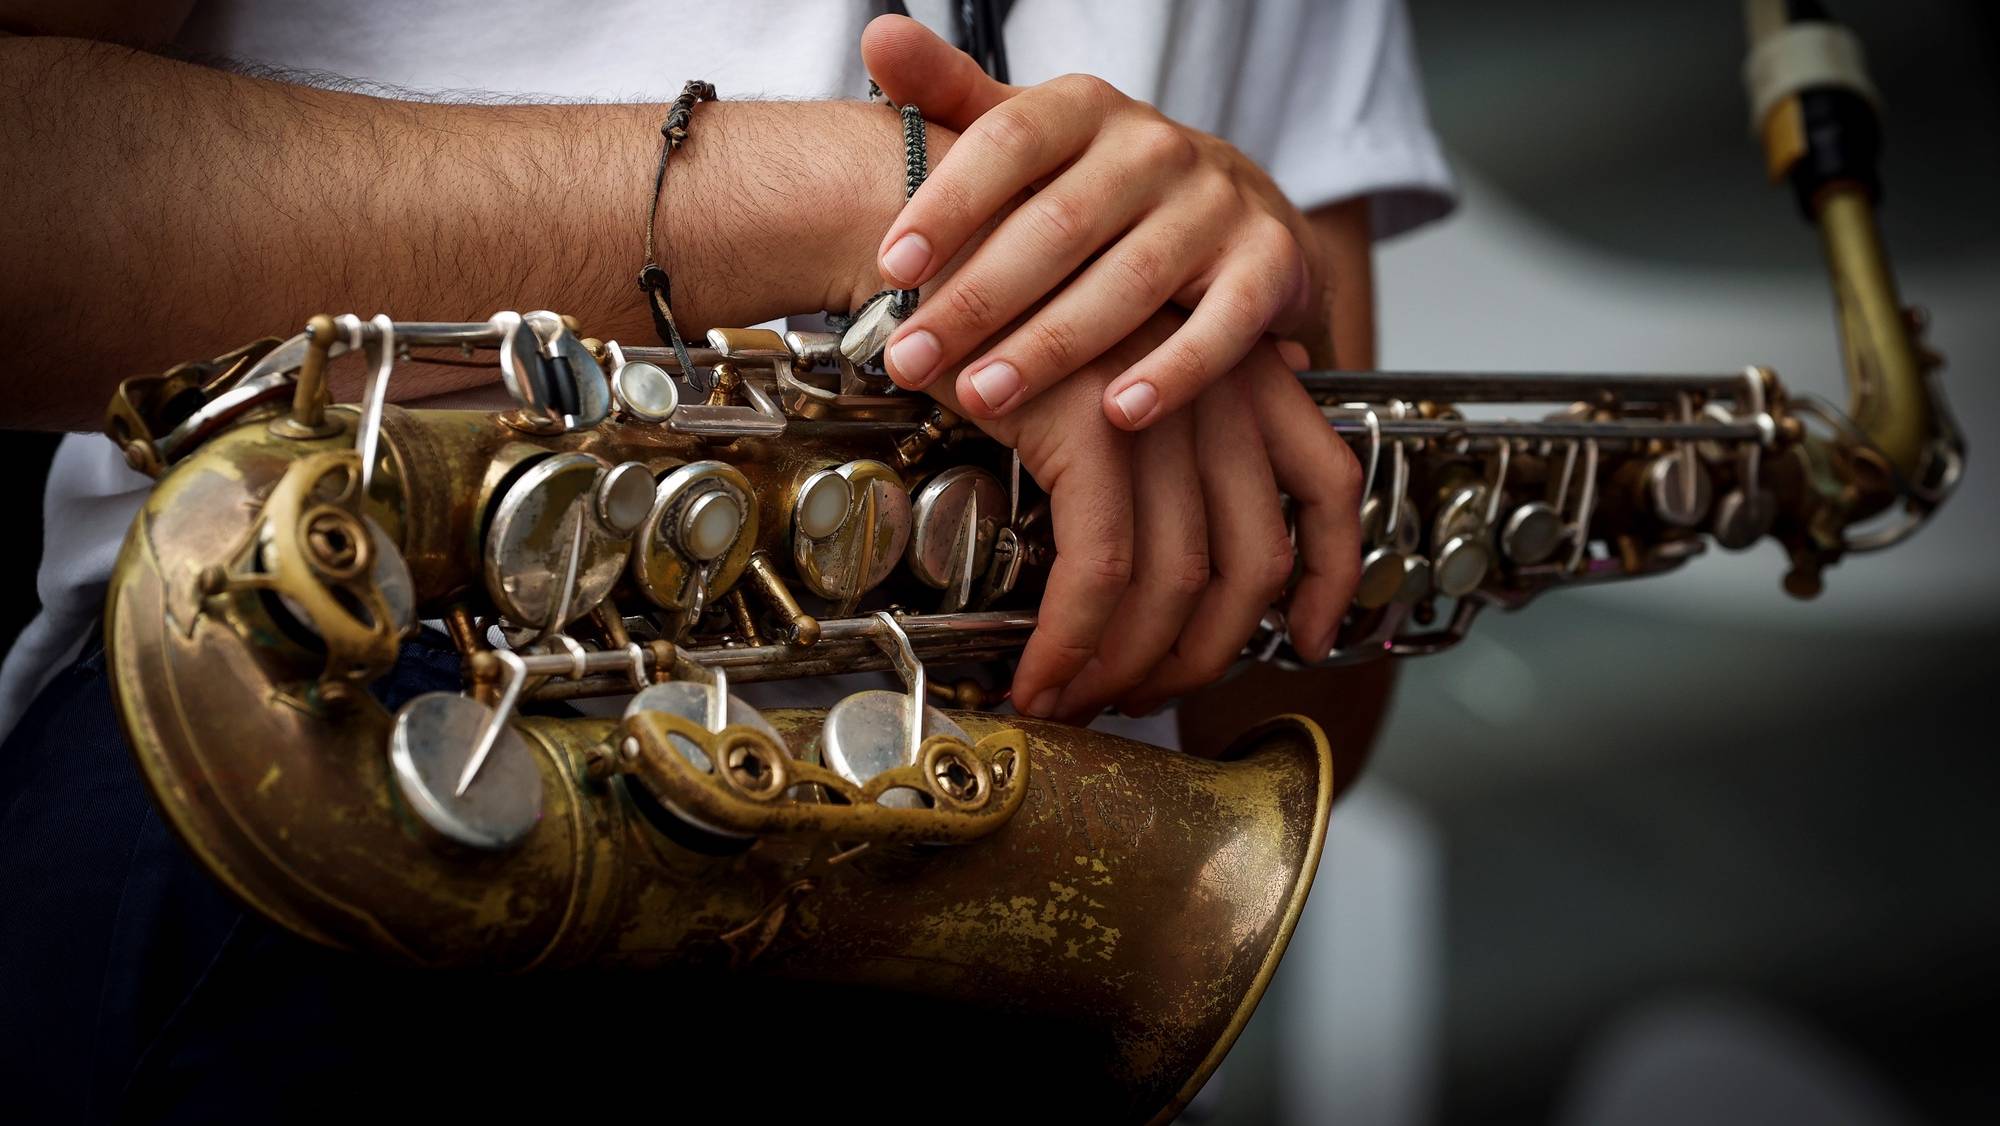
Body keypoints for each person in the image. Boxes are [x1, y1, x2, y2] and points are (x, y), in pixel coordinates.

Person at [0, 1, 1454, 1118]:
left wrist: (1230, 387)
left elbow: (1310, 703)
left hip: (993, 948)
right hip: (338, 805)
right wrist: (859, 197)